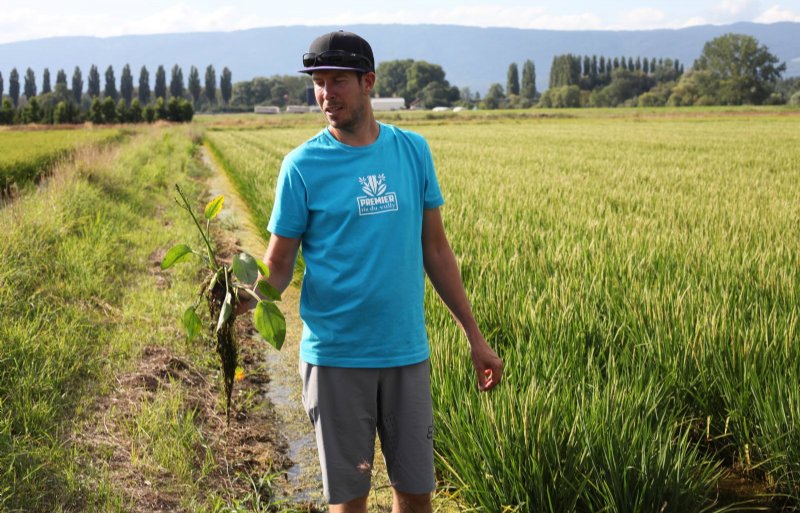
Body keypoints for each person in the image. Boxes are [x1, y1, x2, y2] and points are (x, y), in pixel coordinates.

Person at [239, 30, 503, 513]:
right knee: (350, 502)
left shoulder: (412, 151)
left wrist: (475, 336)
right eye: (318, 83)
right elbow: (277, 268)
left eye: (337, 80)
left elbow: (437, 251)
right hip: (337, 358)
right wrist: (243, 295)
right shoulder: (301, 166)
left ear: (368, 83)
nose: (326, 94)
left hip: (406, 353)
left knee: (417, 495)